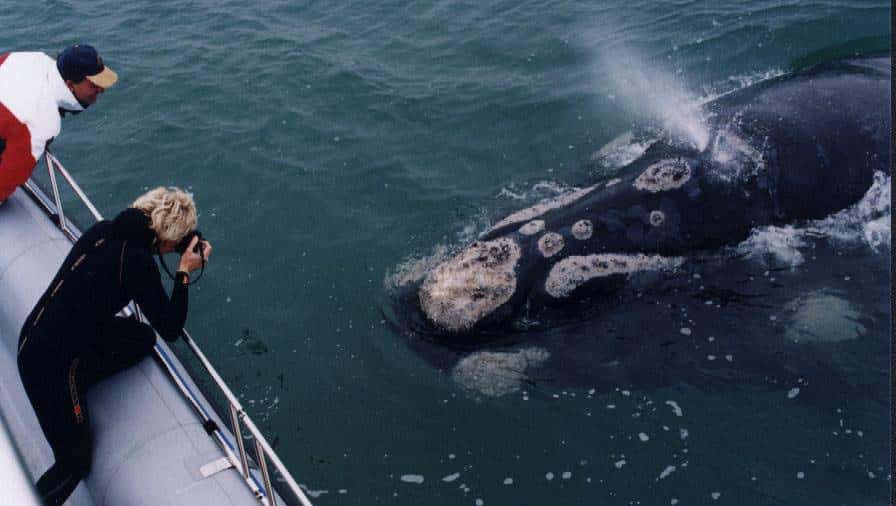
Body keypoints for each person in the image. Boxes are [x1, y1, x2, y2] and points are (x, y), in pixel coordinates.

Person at [17, 187, 211, 506]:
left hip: (33, 335)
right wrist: (183, 272)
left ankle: (79, 376)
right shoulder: (136, 261)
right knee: (76, 461)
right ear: (168, 238)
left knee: (142, 337)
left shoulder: (103, 231)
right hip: (50, 368)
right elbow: (170, 327)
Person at [0, 44, 117, 203]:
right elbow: (7, 179)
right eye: (93, 85)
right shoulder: (42, 122)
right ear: (70, 85)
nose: (101, 90)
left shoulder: (29, 58)